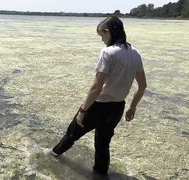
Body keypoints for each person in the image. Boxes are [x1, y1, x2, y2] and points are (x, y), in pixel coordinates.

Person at [52, 16, 147, 176]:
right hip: (117, 108)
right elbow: (143, 85)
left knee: (71, 134)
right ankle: (100, 174)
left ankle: (52, 156)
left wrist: (82, 111)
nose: (102, 40)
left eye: (102, 35)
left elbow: (96, 88)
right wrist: (132, 107)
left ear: (108, 32)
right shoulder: (135, 54)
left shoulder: (108, 53)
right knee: (103, 144)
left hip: (98, 107)